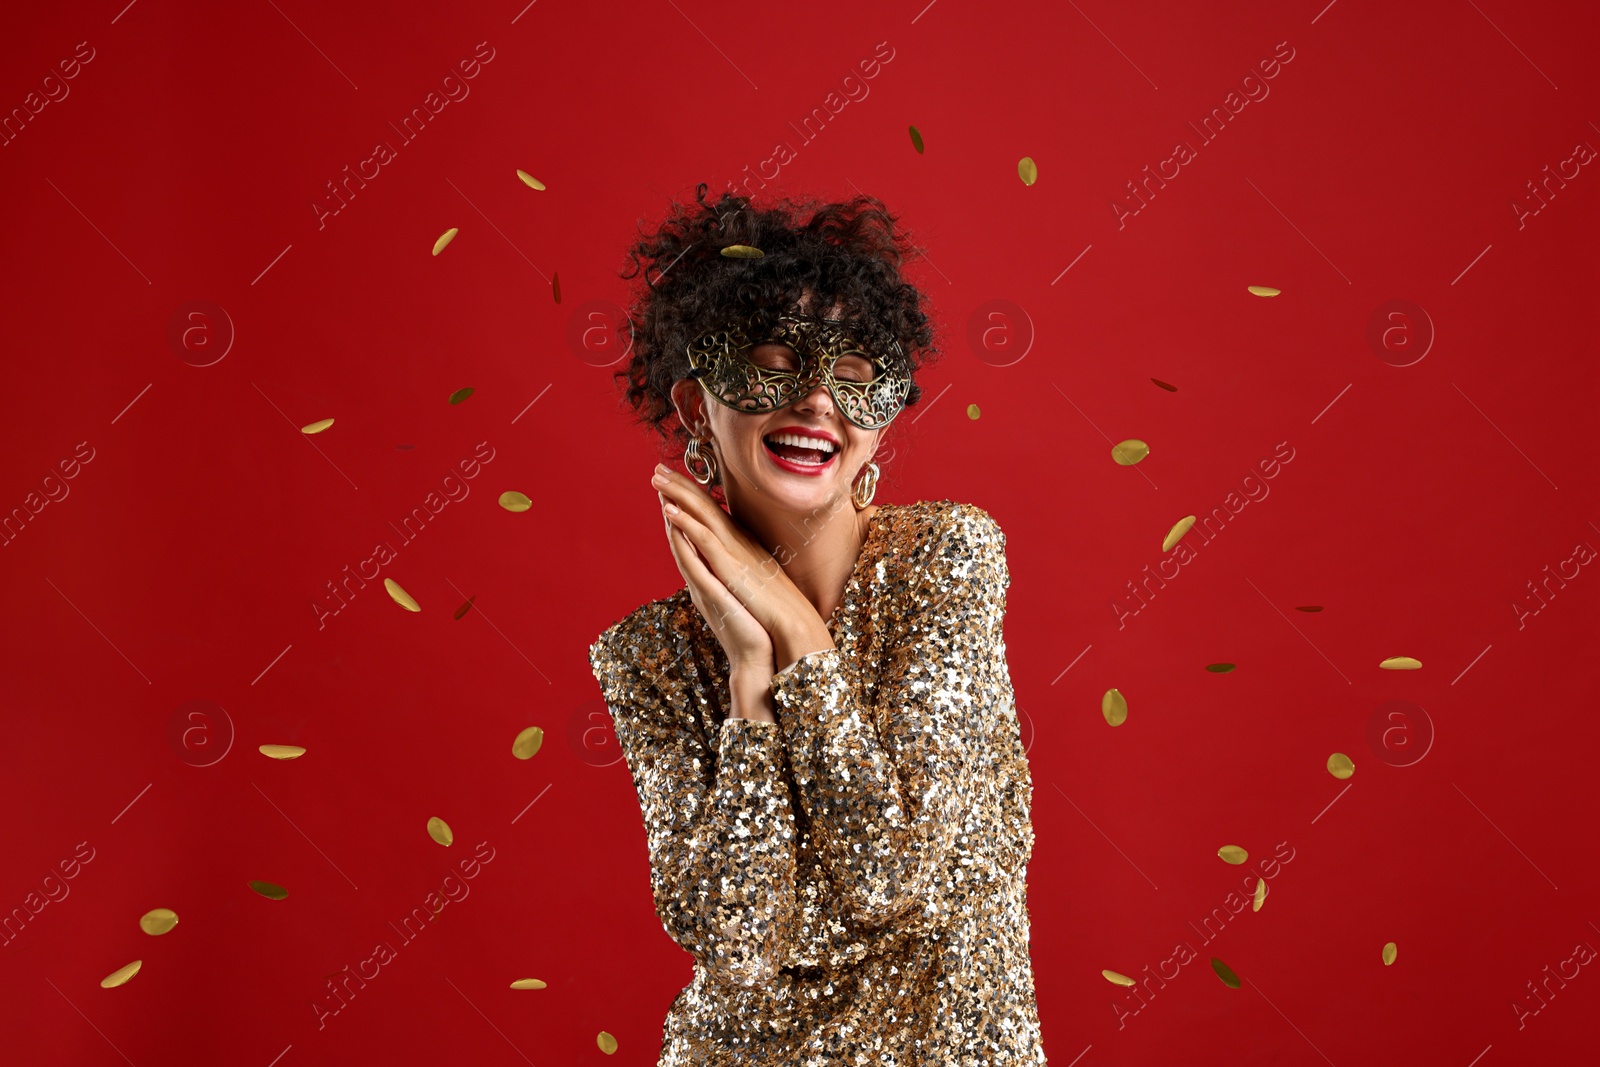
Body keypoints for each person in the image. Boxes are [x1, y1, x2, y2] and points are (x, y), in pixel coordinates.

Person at [587, 182, 1047, 1064]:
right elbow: (739, 940)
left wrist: (798, 634)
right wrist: (750, 690)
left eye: (854, 376)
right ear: (696, 409)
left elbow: (889, 872)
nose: (816, 402)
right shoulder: (646, 656)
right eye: (771, 363)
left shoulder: (945, 561)